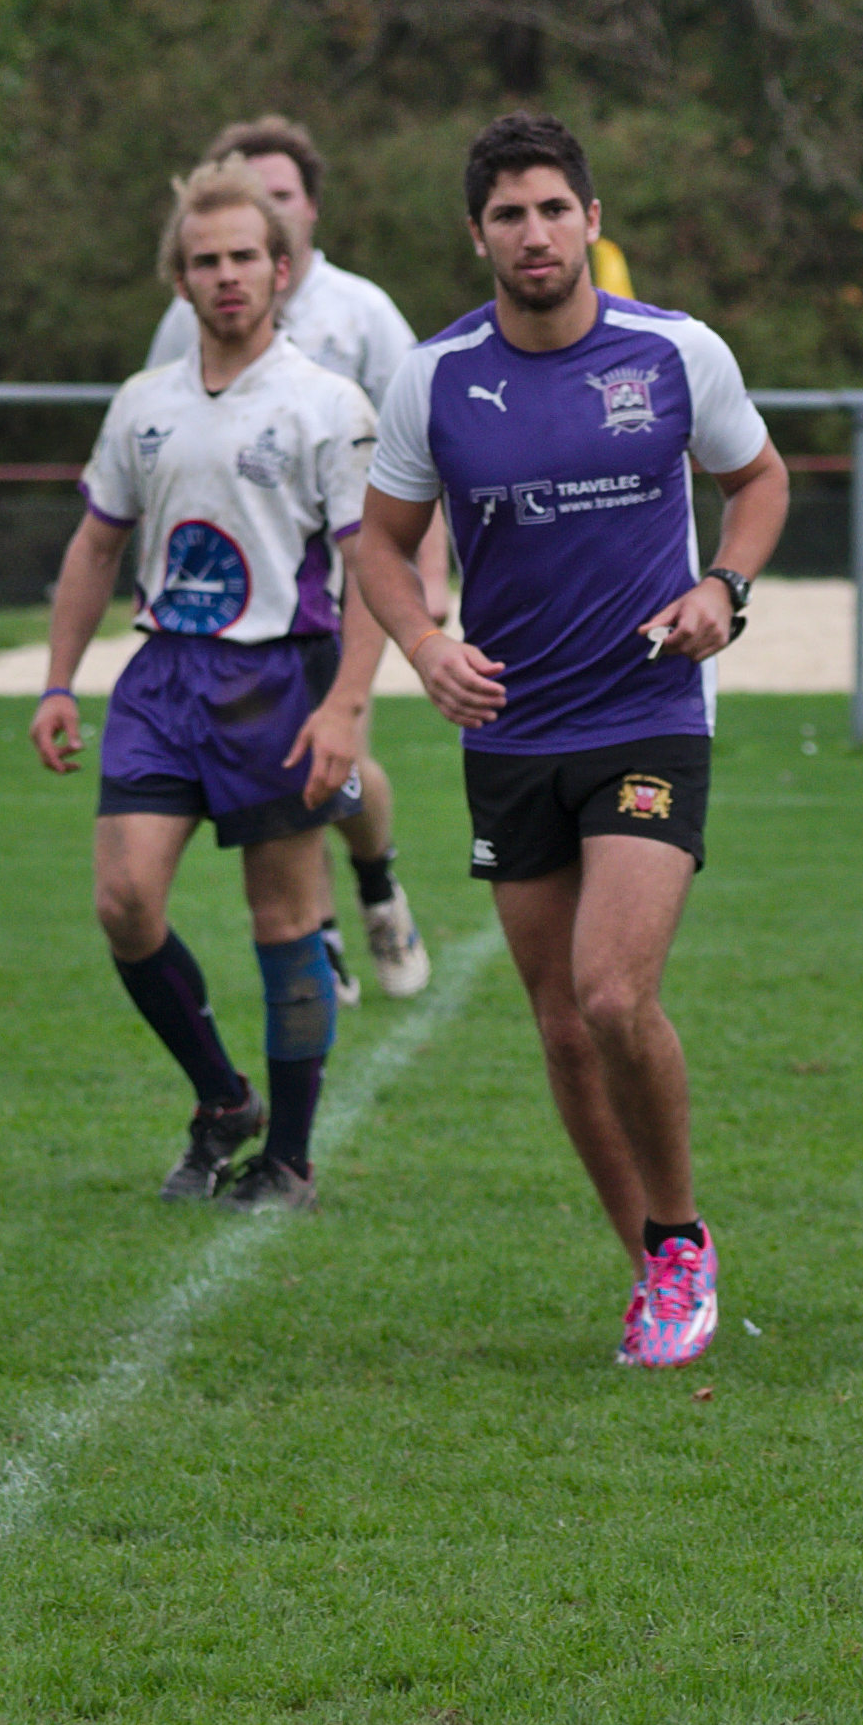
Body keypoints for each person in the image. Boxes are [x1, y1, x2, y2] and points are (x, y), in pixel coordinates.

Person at [348, 112, 789, 1369]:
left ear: (593, 221)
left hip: (648, 709)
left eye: (553, 209)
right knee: (558, 1024)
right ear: (476, 233)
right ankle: (654, 1264)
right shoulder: (434, 378)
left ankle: (681, 1239)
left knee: (611, 990)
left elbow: (760, 481)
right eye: (507, 214)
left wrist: (726, 588)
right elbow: (379, 542)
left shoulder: (675, 352)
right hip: (510, 729)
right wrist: (427, 646)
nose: (533, 234)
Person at [30, 158, 382, 1212]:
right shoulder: (144, 403)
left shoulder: (328, 404)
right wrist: (57, 683)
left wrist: (346, 706)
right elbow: (97, 548)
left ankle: (292, 1159)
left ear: (281, 269)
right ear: (179, 281)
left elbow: (375, 569)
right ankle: (223, 1099)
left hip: (279, 679)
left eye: (243, 257)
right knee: (125, 901)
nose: (225, 276)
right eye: (203, 261)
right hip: (162, 677)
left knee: (284, 921)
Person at [147, 115, 445, 1007]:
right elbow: (165, 431)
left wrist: (428, 579)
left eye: (278, 197)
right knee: (289, 772)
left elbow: (420, 452)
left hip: (341, 581)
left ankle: (378, 880)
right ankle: (317, 940)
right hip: (241, 604)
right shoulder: (188, 312)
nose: (258, 217)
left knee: (342, 769)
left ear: (307, 210)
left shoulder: (362, 313)